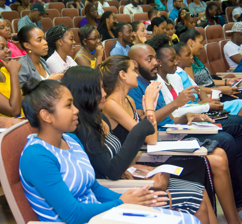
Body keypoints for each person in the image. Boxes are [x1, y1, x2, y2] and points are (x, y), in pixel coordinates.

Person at [19, 77, 202, 223]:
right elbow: (72, 215)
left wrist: (131, 198)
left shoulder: (71, 139)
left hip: (101, 215)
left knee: (187, 217)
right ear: (46, 115)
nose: (76, 110)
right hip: (86, 220)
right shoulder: (37, 156)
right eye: (68, 106)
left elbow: (94, 188)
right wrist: (121, 203)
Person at [62, 65, 217, 224]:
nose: (103, 93)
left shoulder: (99, 118)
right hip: (116, 189)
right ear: (84, 93)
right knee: (196, 199)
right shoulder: (83, 129)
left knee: (200, 190)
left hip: (126, 178)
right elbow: (113, 170)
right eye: (98, 89)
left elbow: (120, 156)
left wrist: (139, 169)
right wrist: (149, 110)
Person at [127, 43, 242, 221]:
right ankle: (235, 211)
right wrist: (176, 104)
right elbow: (146, 127)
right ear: (134, 64)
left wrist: (188, 115)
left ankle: (235, 213)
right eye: (149, 60)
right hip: (159, 140)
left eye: (155, 59)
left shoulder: (150, 81)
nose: (155, 63)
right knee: (222, 146)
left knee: (224, 144)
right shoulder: (136, 87)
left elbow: (167, 118)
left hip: (171, 130)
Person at [180, 28, 242, 102]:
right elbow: (195, 88)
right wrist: (222, 90)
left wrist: (227, 82)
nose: (202, 46)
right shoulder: (187, 63)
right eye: (200, 42)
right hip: (211, 97)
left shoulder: (196, 59)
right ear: (191, 43)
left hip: (216, 92)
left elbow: (208, 82)